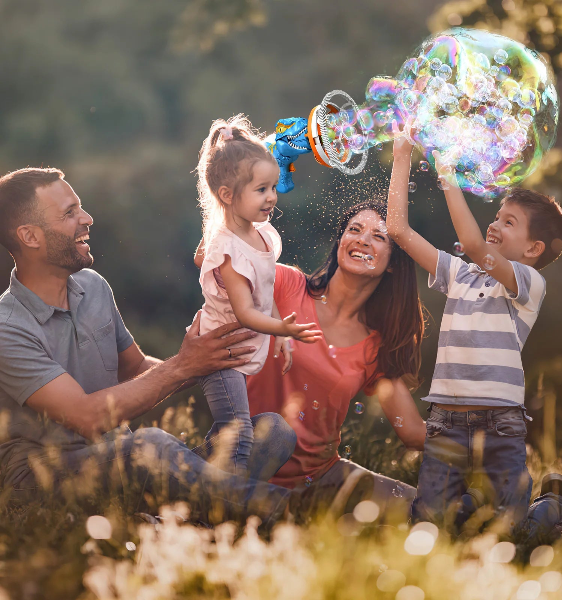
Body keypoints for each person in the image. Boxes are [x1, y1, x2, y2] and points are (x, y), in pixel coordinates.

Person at [0, 166, 298, 528]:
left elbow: (137, 367)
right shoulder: (8, 328)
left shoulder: (91, 286)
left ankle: (178, 527)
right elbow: (86, 417)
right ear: (29, 236)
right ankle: (291, 510)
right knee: (150, 445)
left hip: (123, 463)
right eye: (69, 213)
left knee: (272, 432)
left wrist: (215, 359)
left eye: (80, 207)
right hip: (46, 480)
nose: (87, 219)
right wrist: (185, 365)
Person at [196, 200, 427, 519]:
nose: (362, 239)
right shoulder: (288, 286)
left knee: (419, 507)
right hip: (248, 460)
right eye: (354, 230)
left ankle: (517, 520)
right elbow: (211, 258)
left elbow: (413, 432)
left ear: (392, 263)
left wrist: (487, 442)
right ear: (340, 243)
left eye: (379, 236)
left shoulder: (377, 346)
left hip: (320, 479)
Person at [386, 135, 562, 531]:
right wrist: (402, 157)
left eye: (509, 221)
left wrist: (447, 172)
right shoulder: (460, 273)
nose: (494, 224)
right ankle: (474, 502)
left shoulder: (527, 282)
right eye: (497, 215)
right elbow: (398, 231)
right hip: (445, 421)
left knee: (514, 531)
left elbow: (470, 242)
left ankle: (550, 504)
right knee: (429, 523)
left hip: (500, 423)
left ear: (534, 249)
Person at [194, 115, 322, 477]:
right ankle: (224, 506)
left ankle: (180, 482)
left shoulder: (261, 234)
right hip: (220, 354)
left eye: (272, 187)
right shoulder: (229, 252)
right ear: (227, 196)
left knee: (227, 434)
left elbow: (264, 286)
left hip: (239, 348)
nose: (271, 197)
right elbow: (247, 312)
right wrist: (284, 330)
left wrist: (278, 333)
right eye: (261, 189)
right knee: (238, 435)